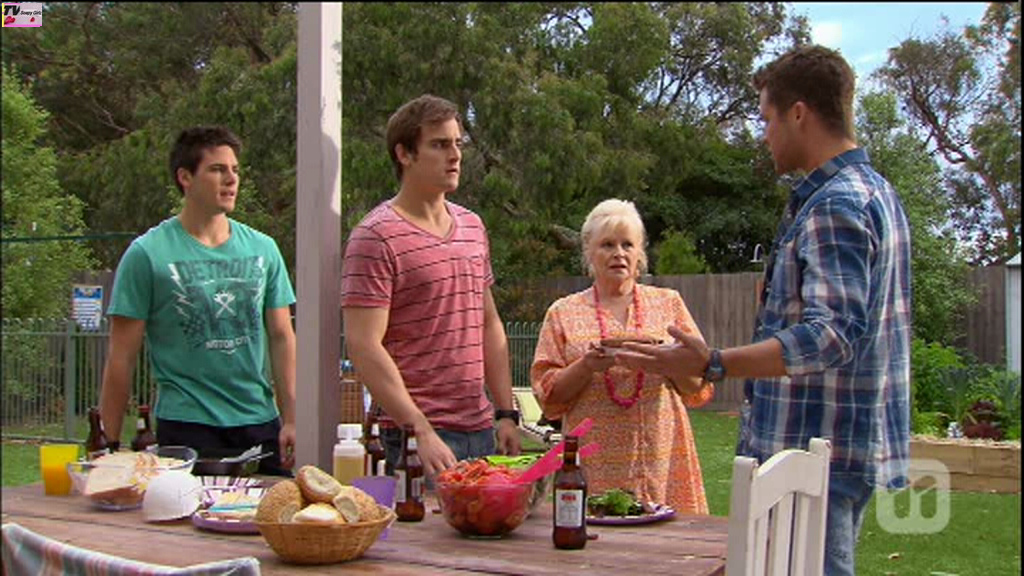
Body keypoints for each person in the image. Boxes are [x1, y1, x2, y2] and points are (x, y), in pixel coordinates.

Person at [615, 45, 912, 576]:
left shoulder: (836, 205)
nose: (764, 134)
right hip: (836, 448)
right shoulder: (874, 192)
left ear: (798, 113)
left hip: (812, 457)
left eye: (766, 119)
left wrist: (714, 362)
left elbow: (833, 334)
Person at [99, 126, 297, 476]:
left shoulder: (263, 249)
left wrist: (293, 418)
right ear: (185, 177)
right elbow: (121, 358)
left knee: (272, 509)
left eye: (235, 170)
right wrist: (107, 445)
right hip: (186, 426)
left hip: (260, 424)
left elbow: (282, 337)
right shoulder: (147, 254)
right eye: (218, 169)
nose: (231, 180)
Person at [341, 94, 521, 478]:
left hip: (481, 430)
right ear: (404, 154)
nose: (454, 156)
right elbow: (363, 344)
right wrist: (418, 430)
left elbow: (488, 323)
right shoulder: (376, 236)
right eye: (439, 145)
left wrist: (506, 412)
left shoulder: (472, 226)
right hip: (417, 436)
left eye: (458, 144)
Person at [530, 198, 712, 514]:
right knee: (597, 537)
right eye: (607, 245)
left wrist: (667, 362)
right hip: (594, 460)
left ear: (640, 252)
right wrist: (586, 366)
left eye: (627, 244)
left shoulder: (669, 304)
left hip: (662, 457)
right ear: (589, 252)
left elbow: (698, 386)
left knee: (667, 539)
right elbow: (549, 398)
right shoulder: (562, 312)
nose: (619, 253)